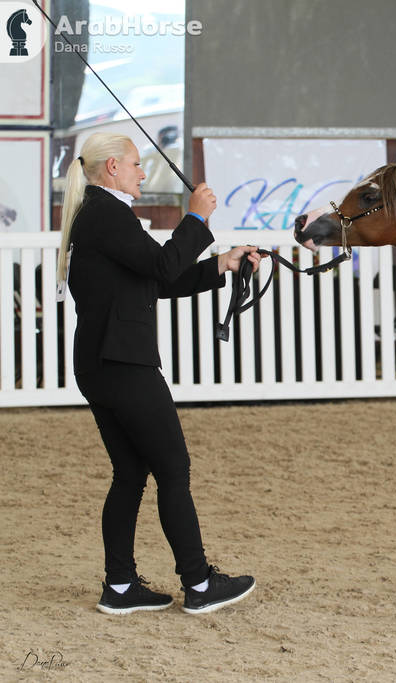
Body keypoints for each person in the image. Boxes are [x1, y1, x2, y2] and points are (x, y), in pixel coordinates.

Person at [56, 133, 264, 615]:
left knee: (131, 473)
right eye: (135, 164)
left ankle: (120, 586)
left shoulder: (98, 215)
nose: (141, 172)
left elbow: (155, 277)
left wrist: (221, 265)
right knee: (173, 468)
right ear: (112, 167)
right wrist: (196, 217)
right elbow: (164, 265)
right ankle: (198, 583)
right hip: (125, 365)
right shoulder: (108, 215)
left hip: (101, 364)